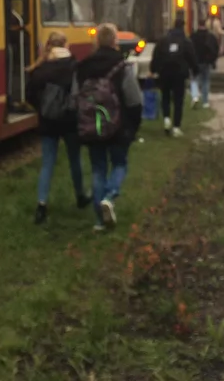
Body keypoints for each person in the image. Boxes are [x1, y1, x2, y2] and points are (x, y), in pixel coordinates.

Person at [72, 23, 143, 231]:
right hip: (118, 127)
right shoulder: (122, 66)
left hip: (92, 126)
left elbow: (74, 98)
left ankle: (99, 221)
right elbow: (134, 100)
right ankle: (110, 197)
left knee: (97, 168)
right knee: (120, 164)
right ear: (115, 42)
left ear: (96, 42)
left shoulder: (82, 67)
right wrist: (132, 128)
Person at [26, 32, 90, 224]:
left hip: (48, 121)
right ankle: (80, 196)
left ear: (49, 46)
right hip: (70, 121)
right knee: (74, 160)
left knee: (47, 163)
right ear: (66, 45)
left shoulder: (41, 69)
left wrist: (43, 108)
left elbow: (30, 95)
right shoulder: (75, 66)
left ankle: (41, 205)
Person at [150, 13, 198, 137]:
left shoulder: (163, 40)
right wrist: (195, 70)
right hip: (179, 75)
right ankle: (176, 127)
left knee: (165, 97)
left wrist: (153, 69)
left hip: (164, 73)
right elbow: (192, 58)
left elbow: (156, 56)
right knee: (178, 100)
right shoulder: (186, 41)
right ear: (183, 27)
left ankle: (166, 118)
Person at [190, 19, 219, 109]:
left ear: (198, 25)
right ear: (205, 25)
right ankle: (205, 102)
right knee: (205, 81)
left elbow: (189, 49)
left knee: (194, 80)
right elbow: (216, 49)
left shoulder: (193, 36)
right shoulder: (210, 36)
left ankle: (195, 96)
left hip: (195, 62)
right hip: (206, 62)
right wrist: (213, 61)